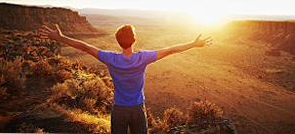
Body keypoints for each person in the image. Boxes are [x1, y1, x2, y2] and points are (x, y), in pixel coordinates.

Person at [39, 24, 212, 134]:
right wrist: (194, 44)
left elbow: (84, 47)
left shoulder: (111, 59)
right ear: (134, 40)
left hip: (119, 110)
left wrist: (59, 38)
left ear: (118, 41)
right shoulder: (142, 57)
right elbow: (170, 50)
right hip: (138, 109)